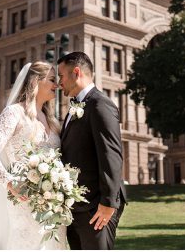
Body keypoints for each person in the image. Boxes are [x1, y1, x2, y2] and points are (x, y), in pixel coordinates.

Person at [0, 61, 66, 249]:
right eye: (52, 80)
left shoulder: (53, 121)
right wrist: (10, 182)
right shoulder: (13, 113)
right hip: (24, 200)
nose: (57, 85)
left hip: (54, 204)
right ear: (36, 81)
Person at [58, 52, 127, 250]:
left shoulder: (100, 104)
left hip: (97, 208)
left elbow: (111, 155)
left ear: (76, 72)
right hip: (77, 207)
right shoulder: (75, 107)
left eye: (62, 76)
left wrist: (108, 203)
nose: (60, 82)